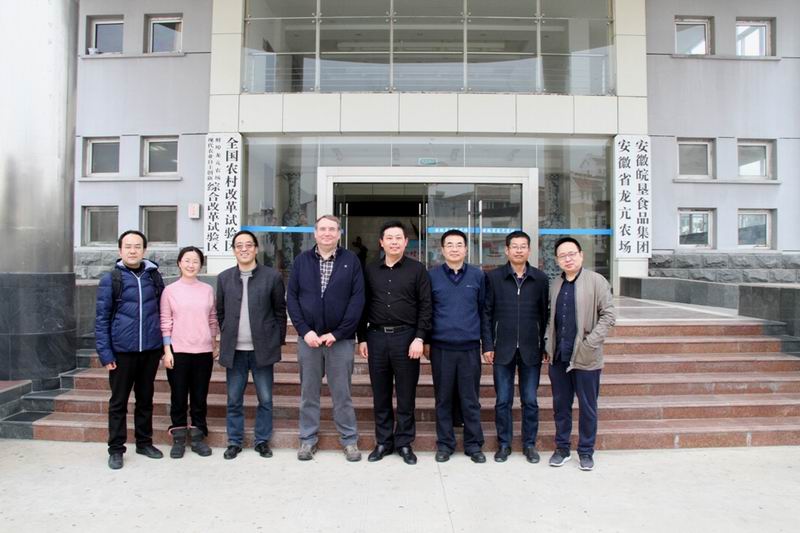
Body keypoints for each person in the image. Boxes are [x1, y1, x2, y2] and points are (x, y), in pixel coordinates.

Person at [287, 215, 365, 462]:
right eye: (323, 229)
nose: (327, 233)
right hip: (308, 340)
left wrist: (338, 333)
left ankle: (349, 440)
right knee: (308, 393)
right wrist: (305, 331)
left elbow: (357, 301)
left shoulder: (351, 261)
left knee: (342, 394)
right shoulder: (301, 261)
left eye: (332, 229)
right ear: (315, 233)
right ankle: (307, 439)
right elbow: (292, 298)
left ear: (339, 234)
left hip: (340, 341)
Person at [357, 221, 432, 465]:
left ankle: (404, 443)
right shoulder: (370, 270)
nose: (394, 242)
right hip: (376, 338)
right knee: (381, 394)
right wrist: (362, 337)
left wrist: (420, 337)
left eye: (398, 238)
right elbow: (362, 305)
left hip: (407, 338)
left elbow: (426, 306)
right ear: (381, 242)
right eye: (389, 238)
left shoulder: (417, 270)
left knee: (406, 395)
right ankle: (383, 442)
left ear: (406, 242)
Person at [544, 237, 616, 471]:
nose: (568, 259)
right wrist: (548, 344)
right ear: (557, 260)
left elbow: (608, 315)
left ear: (581, 255)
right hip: (559, 357)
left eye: (571, 254)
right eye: (562, 255)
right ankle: (562, 448)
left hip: (586, 357)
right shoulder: (555, 284)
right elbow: (550, 319)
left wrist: (590, 343)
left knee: (588, 407)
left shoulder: (596, 281)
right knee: (561, 406)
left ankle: (586, 451)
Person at [95, 230, 165, 470]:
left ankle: (144, 443)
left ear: (144, 250)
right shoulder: (111, 279)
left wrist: (161, 347)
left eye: (137, 246)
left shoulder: (154, 277)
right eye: (128, 246)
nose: (133, 251)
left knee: (145, 400)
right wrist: (105, 353)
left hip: (150, 350)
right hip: (121, 352)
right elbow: (101, 319)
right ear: (120, 250)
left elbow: (162, 312)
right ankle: (116, 449)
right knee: (119, 402)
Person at [216, 230, 287, 460]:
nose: (244, 249)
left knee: (265, 399)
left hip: (262, 350)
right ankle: (234, 441)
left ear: (256, 249)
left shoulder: (272, 277)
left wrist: (277, 341)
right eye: (239, 245)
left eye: (248, 245)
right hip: (235, 351)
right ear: (234, 250)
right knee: (233, 399)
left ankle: (262, 441)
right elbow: (220, 312)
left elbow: (279, 311)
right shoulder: (224, 278)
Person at [482, 230, 549, 463]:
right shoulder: (493, 277)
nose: (519, 250)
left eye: (523, 246)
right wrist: (487, 345)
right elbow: (486, 313)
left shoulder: (540, 279)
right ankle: (504, 444)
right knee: (503, 400)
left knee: (530, 400)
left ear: (529, 250)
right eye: (514, 246)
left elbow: (545, 315)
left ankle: (529, 444)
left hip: (531, 348)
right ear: (507, 250)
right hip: (502, 348)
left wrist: (545, 345)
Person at [427, 229, 488, 463]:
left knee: (470, 399)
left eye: (459, 244)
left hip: (469, 348)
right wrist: (427, 340)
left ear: (466, 249)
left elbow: (484, 312)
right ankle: (445, 444)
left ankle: (474, 445)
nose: (454, 249)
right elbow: (427, 311)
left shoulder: (477, 276)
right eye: (449, 245)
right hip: (441, 348)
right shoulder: (432, 276)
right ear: (442, 250)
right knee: (443, 399)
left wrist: (486, 345)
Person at [160, 246, 219, 459]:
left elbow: (212, 319)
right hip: (178, 351)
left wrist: (213, 343)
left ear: (200, 265)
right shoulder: (170, 291)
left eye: (195, 261)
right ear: (179, 263)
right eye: (187, 260)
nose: (191, 265)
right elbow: (165, 322)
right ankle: (178, 437)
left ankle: (197, 437)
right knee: (178, 396)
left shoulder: (207, 290)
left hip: (203, 350)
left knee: (199, 396)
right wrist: (167, 350)